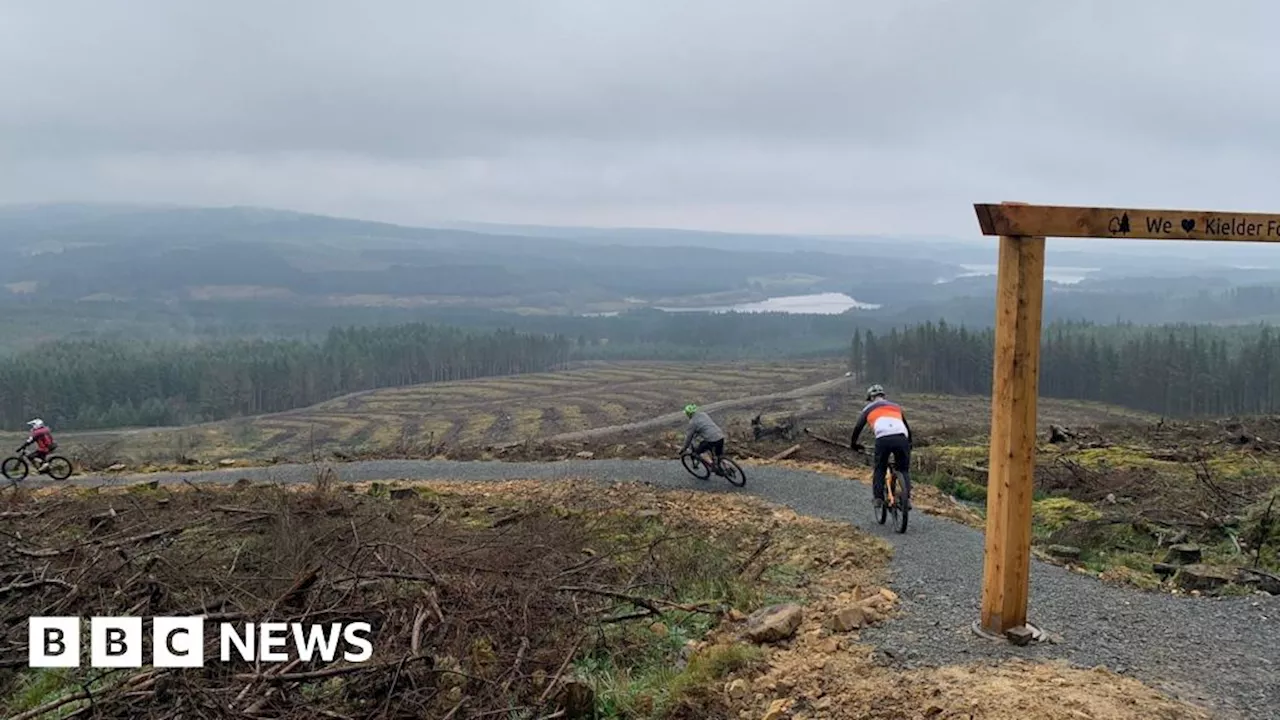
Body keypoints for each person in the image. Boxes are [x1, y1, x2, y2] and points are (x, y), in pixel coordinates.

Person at [849, 385, 912, 510]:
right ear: (883, 396)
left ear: (871, 398)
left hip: (883, 439)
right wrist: (909, 444)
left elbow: (857, 428)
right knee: (903, 469)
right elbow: (907, 427)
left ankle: (878, 498)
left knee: (880, 467)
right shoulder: (896, 407)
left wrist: (854, 444)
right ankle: (907, 500)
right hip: (901, 438)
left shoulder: (868, 409)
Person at [680, 403, 726, 474]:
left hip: (711, 439)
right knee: (719, 455)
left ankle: (712, 465)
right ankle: (728, 468)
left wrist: (684, 448)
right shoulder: (704, 414)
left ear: (688, 414)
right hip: (720, 435)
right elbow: (705, 426)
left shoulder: (692, 423)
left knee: (699, 452)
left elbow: (688, 438)